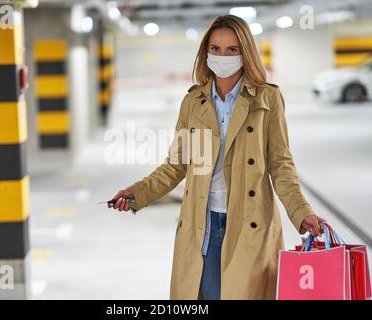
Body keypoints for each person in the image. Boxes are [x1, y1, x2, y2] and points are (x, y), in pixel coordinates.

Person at [108, 14, 325, 300]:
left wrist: (301, 211)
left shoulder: (267, 99)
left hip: (250, 225)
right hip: (203, 225)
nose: (223, 56)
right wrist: (137, 193)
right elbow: (175, 165)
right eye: (216, 49)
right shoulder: (193, 102)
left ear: (245, 52)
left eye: (232, 50)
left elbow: (280, 164)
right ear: (206, 53)